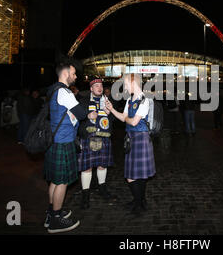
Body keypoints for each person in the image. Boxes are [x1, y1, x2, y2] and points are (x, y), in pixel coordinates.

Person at [43, 62, 89, 233]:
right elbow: (82, 114)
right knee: (61, 181)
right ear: (65, 73)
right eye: (74, 73)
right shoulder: (64, 91)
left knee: (55, 180)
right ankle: (56, 219)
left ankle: (52, 212)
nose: (75, 76)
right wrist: (82, 101)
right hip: (63, 141)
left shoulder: (53, 90)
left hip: (56, 140)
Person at [105, 74, 156, 216]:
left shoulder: (145, 100)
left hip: (140, 138)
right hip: (131, 138)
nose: (125, 86)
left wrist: (128, 118)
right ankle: (140, 200)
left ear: (133, 82)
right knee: (138, 175)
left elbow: (133, 122)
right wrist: (112, 109)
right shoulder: (129, 99)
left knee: (132, 176)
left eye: (126, 83)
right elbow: (124, 118)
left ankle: (139, 203)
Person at [77, 77, 116, 210]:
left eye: (101, 85)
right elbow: (77, 120)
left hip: (103, 136)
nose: (99, 88)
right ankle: (85, 195)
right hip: (89, 136)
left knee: (102, 165)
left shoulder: (107, 101)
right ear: (91, 89)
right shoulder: (83, 102)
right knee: (87, 167)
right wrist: (87, 116)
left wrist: (109, 113)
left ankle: (102, 188)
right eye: (96, 86)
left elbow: (111, 121)